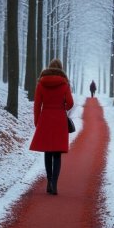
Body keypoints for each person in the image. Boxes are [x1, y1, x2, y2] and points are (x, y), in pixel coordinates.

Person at [29, 59, 74, 195]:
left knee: (47, 152)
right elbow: (70, 103)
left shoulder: (41, 83)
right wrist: (62, 108)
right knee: (57, 153)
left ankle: (48, 181)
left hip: (46, 119)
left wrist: (37, 122)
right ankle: (54, 183)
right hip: (59, 119)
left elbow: (37, 105)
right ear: (61, 68)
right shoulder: (64, 83)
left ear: (49, 68)